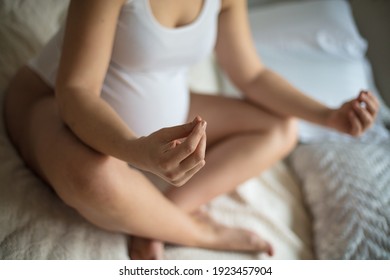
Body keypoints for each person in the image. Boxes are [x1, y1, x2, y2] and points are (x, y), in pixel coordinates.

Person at [3, 0, 379, 260]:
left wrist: (328, 115)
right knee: (93, 177)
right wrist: (135, 150)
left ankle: (158, 218)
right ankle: (195, 231)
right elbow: (76, 92)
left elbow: (251, 74)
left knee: (280, 128)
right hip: (53, 104)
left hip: (166, 107)